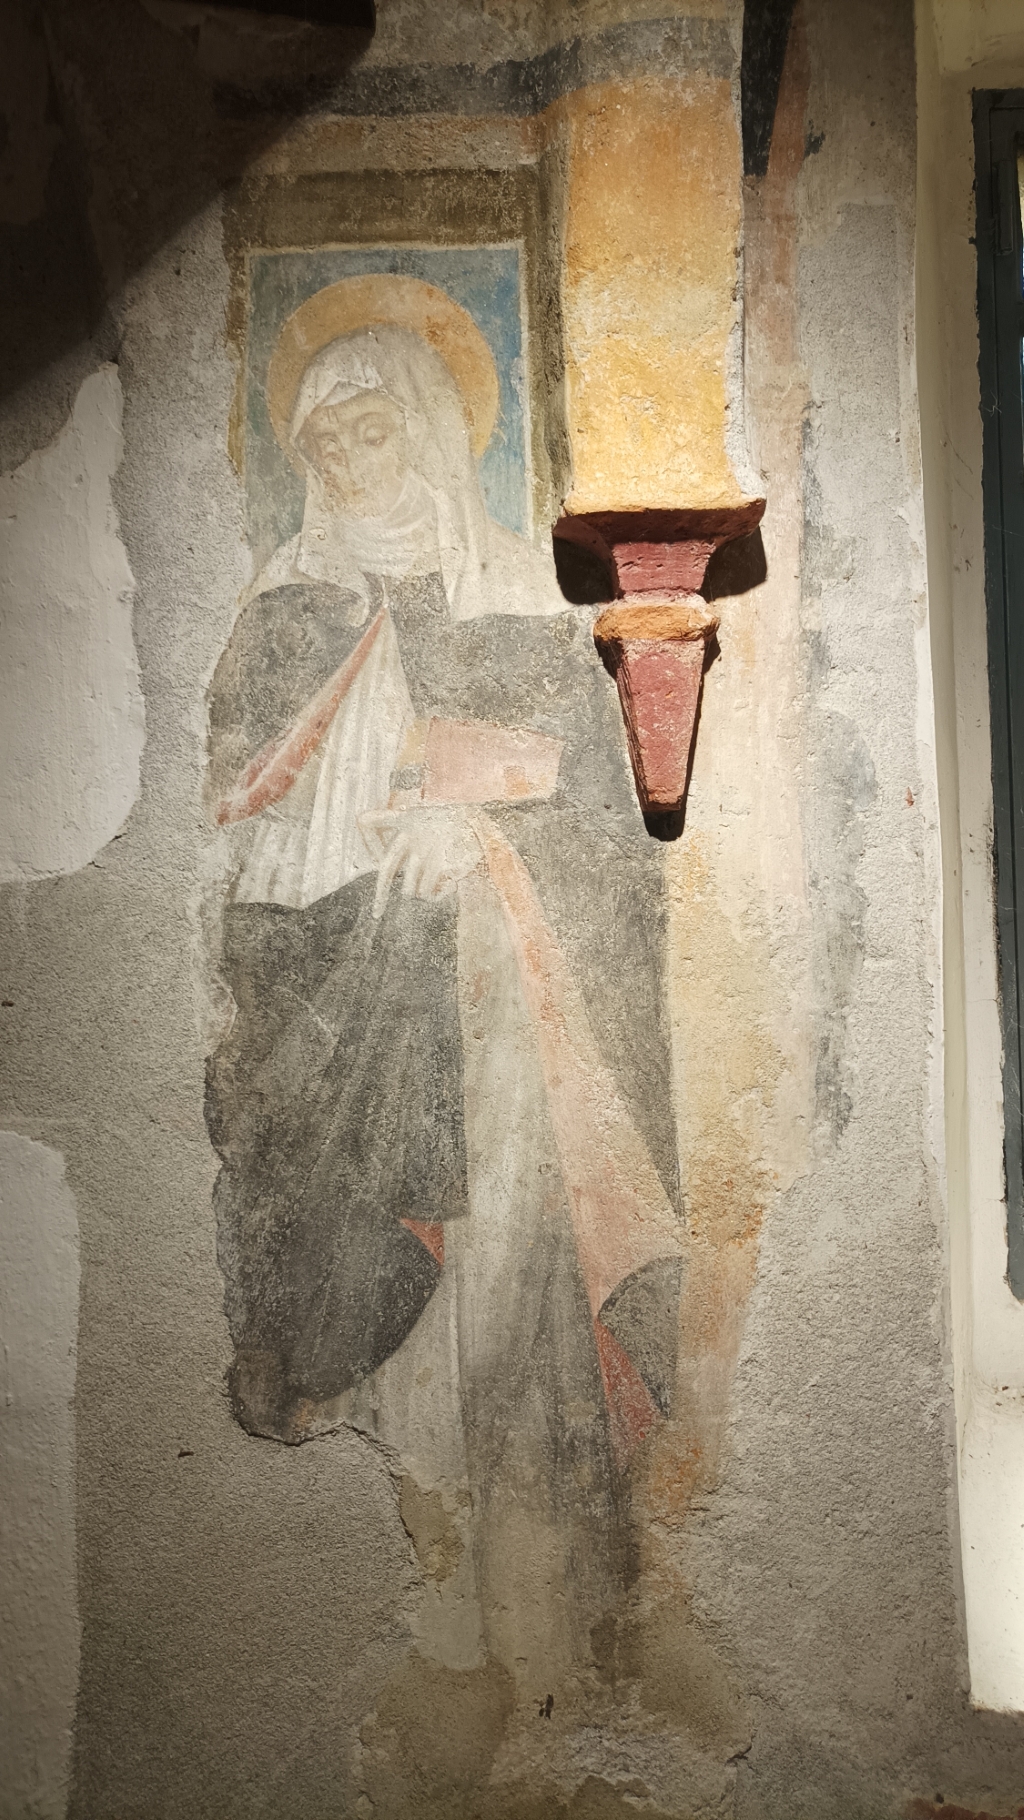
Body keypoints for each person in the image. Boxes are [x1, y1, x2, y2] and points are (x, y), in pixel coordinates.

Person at [206, 313, 683, 1678]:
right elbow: (234, 810)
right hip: (322, 979)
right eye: (327, 442)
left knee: (504, 1266)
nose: (355, 461)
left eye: (376, 429)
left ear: (432, 430)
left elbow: (601, 812)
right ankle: (388, 1586)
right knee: (355, 1260)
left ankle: (529, 1578)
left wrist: (473, 829)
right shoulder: (282, 606)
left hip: (491, 995)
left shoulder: (518, 592)